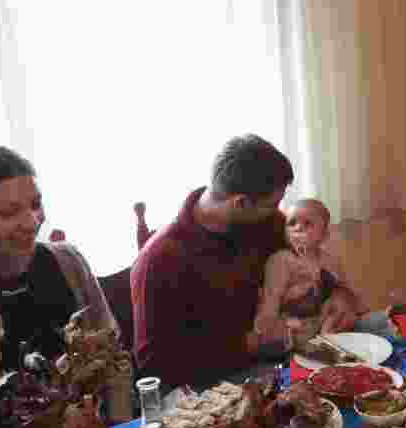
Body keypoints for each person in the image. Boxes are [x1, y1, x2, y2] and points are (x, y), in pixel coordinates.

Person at [131, 134, 358, 398]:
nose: (279, 213)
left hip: (280, 361)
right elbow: (154, 368)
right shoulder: (161, 258)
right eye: (272, 204)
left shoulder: (264, 222)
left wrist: (341, 294)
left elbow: (312, 260)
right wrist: (248, 344)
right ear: (240, 203)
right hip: (214, 388)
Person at [0, 145, 126, 427]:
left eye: (35, 205)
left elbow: (115, 361)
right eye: (8, 213)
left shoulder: (67, 261)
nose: (31, 222)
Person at [254, 198, 361, 349]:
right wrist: (267, 327)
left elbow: (345, 290)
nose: (298, 228)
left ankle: (328, 342)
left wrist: (349, 304)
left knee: (347, 315)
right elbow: (270, 298)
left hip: (320, 322)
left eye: (308, 224)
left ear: (324, 235)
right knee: (292, 331)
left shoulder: (330, 260)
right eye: (292, 223)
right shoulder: (282, 260)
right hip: (291, 323)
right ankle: (321, 345)